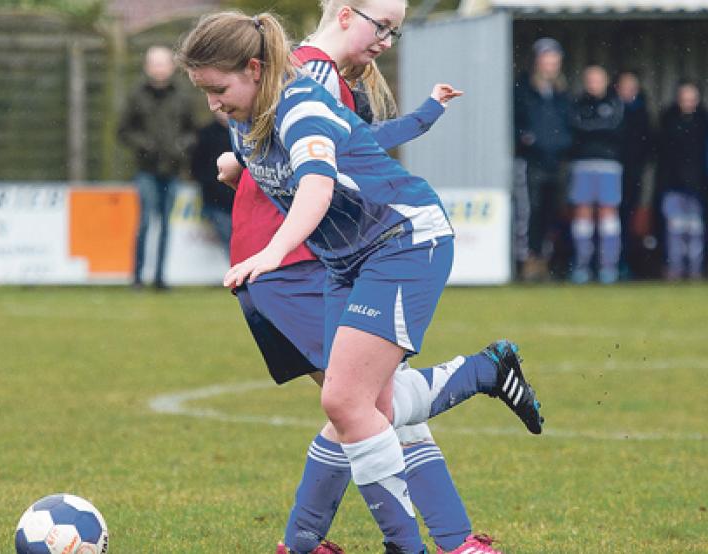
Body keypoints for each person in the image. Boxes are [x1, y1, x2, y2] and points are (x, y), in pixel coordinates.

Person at [177, 11, 543, 554]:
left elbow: (318, 185)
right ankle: (482, 377)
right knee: (367, 407)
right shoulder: (246, 113)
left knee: (348, 403)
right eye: (204, 91)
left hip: (401, 241)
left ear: (255, 69)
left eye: (218, 88)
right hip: (345, 260)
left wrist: (272, 251)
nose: (212, 103)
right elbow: (342, 145)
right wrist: (240, 166)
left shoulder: (299, 101)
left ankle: (405, 544)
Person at [118, 45, 197, 290]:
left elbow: (193, 132)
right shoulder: (136, 95)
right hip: (146, 170)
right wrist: (145, 145)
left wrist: (180, 147)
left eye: (163, 63)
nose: (159, 69)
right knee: (144, 223)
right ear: (147, 67)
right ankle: (137, 278)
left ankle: (160, 278)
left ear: (171, 67)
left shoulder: (183, 96)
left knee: (165, 225)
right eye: (154, 64)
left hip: (172, 170)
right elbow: (123, 131)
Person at [513, 37, 573, 281]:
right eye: (546, 60)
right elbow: (516, 123)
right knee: (529, 211)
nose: (550, 65)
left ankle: (545, 261)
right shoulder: (524, 89)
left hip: (556, 162)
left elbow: (568, 125)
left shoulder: (562, 93)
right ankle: (528, 260)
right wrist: (528, 140)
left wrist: (564, 144)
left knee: (551, 212)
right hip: (532, 162)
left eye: (554, 61)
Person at [567, 65, 625, 284]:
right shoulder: (577, 103)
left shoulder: (614, 102)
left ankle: (608, 267)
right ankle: (581, 266)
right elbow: (575, 127)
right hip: (582, 164)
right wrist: (596, 129)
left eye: (598, 79)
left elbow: (614, 128)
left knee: (608, 216)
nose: (593, 84)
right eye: (589, 79)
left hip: (609, 166)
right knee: (582, 216)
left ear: (606, 80)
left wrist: (590, 129)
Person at [656, 80, 708, 281]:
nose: (687, 101)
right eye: (684, 97)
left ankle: (695, 269)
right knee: (674, 229)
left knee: (695, 230)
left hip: (697, 186)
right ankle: (674, 269)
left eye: (691, 98)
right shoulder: (668, 121)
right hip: (672, 185)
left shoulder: (703, 122)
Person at [614, 70, 658, 279]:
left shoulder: (642, 113)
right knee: (609, 220)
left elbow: (649, 146)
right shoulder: (612, 111)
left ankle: (626, 262)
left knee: (628, 219)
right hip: (612, 173)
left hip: (633, 175)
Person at [190, 110, 235, 251]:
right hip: (215, 199)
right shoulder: (206, 134)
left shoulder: (243, 133)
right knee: (230, 241)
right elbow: (196, 165)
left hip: (239, 198)